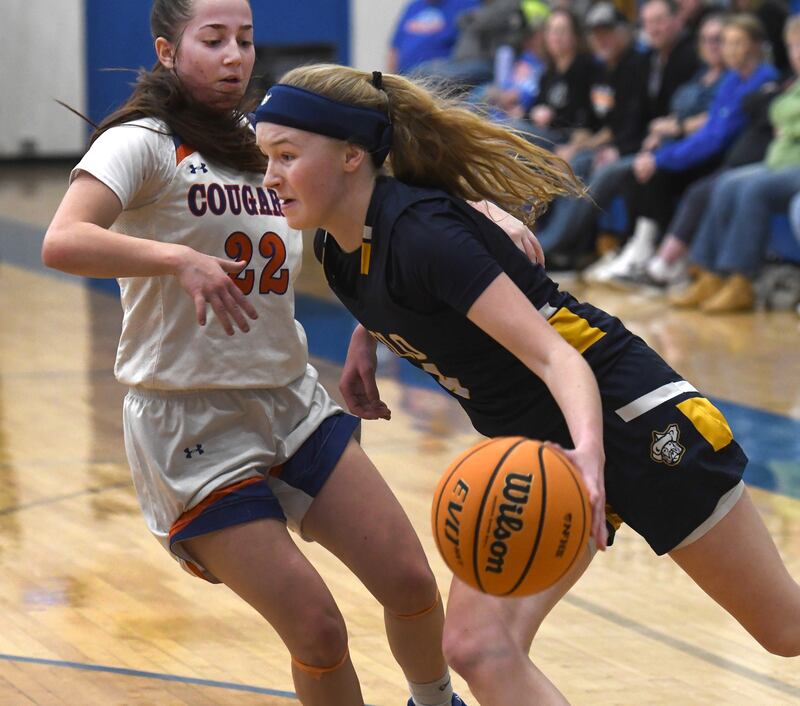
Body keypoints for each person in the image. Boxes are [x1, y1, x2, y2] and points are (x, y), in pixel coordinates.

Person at [253, 64, 800, 705]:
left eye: (287, 156)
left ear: (352, 155)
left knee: (785, 630)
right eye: (266, 158)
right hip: (537, 448)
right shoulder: (338, 248)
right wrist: (366, 337)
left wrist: (589, 459)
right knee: (476, 647)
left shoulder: (425, 234)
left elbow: (559, 360)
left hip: (627, 418)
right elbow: (398, 287)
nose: (270, 177)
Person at [40, 2, 473, 705]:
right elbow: (62, 240)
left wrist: (373, 321)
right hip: (189, 425)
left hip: (289, 399)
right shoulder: (141, 144)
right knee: (319, 631)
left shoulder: (263, 141)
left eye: (244, 39)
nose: (235, 56)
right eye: (213, 40)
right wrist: (177, 258)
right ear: (167, 50)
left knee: (409, 580)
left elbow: (359, 217)